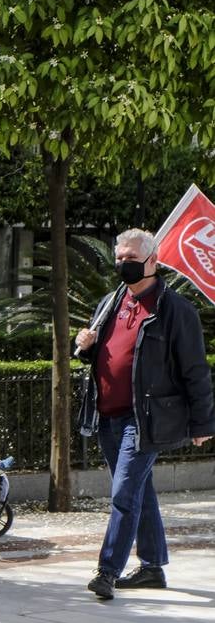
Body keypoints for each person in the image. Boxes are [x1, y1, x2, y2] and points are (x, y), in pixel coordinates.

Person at [76, 228, 215, 600]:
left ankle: (107, 571)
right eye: (119, 259)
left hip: (146, 418)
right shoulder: (110, 302)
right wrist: (84, 347)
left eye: (131, 260)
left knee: (123, 492)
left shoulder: (175, 310)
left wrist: (203, 422)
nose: (123, 265)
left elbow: (195, 370)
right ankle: (152, 567)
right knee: (139, 489)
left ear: (153, 261)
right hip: (108, 416)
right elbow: (104, 354)